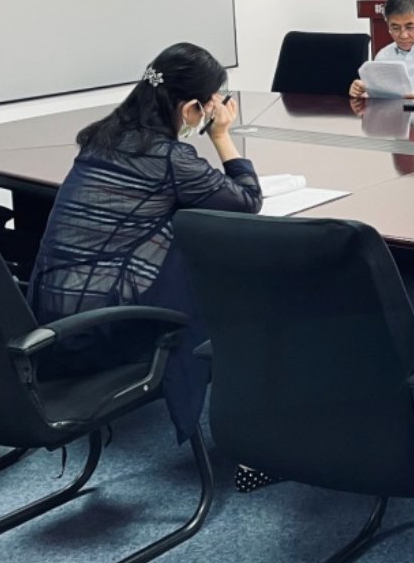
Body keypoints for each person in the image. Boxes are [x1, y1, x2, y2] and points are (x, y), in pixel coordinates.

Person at [29, 42, 263, 441]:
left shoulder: (102, 137)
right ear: (191, 108)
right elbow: (247, 200)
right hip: (100, 329)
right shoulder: (169, 157)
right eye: (208, 106)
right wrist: (222, 134)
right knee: (204, 252)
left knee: (180, 228)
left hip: (48, 317)